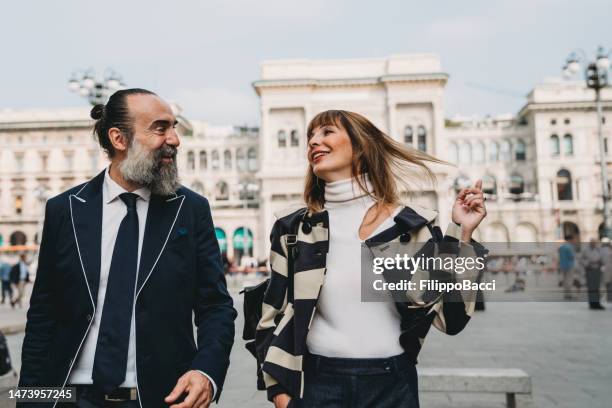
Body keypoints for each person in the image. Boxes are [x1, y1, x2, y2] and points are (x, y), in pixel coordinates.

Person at [18, 89, 236, 408]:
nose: (174, 139)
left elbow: (215, 306)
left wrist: (206, 372)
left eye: (174, 127)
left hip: (160, 397)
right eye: (161, 128)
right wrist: (30, 400)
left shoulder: (190, 209)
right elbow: (43, 314)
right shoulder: (65, 209)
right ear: (119, 139)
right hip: (69, 397)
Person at [256, 110, 488, 408]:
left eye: (326, 132)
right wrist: (280, 395)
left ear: (362, 146)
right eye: (310, 136)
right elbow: (269, 317)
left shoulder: (409, 226)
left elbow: (450, 319)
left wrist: (462, 234)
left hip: (392, 384)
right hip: (317, 383)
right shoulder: (294, 229)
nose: (314, 141)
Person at [581, 238, 605, 310]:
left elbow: (602, 259)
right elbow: (582, 259)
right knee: (591, 288)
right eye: (592, 242)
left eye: (595, 243)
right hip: (589, 270)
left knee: (597, 287)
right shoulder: (585, 250)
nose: (593, 244)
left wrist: (601, 263)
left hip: (597, 270)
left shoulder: (598, 249)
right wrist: (588, 264)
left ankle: (597, 303)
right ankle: (592, 304)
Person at [558, 235, 577, 300]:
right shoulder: (569, 247)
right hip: (569, 265)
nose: (574, 241)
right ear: (570, 239)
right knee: (569, 280)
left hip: (562, 265)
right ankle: (569, 294)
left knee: (565, 280)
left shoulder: (561, 247)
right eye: (573, 239)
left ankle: (566, 294)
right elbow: (571, 256)